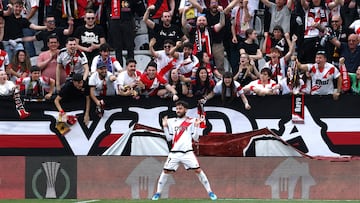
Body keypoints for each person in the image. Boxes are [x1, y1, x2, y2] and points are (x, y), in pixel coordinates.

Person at [151, 100, 217, 201]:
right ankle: (158, 193)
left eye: (180, 108)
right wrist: (164, 126)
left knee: (198, 170)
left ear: (185, 110)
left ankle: (210, 192)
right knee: (165, 171)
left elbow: (195, 138)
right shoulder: (171, 121)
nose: (178, 110)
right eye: (177, 108)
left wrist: (195, 127)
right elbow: (169, 138)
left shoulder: (191, 121)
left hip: (187, 153)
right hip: (174, 153)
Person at [105, 0, 145, 66]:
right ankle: (119, 69)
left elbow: (140, 12)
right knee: (117, 48)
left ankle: (131, 67)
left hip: (128, 22)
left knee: (130, 47)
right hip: (114, 22)